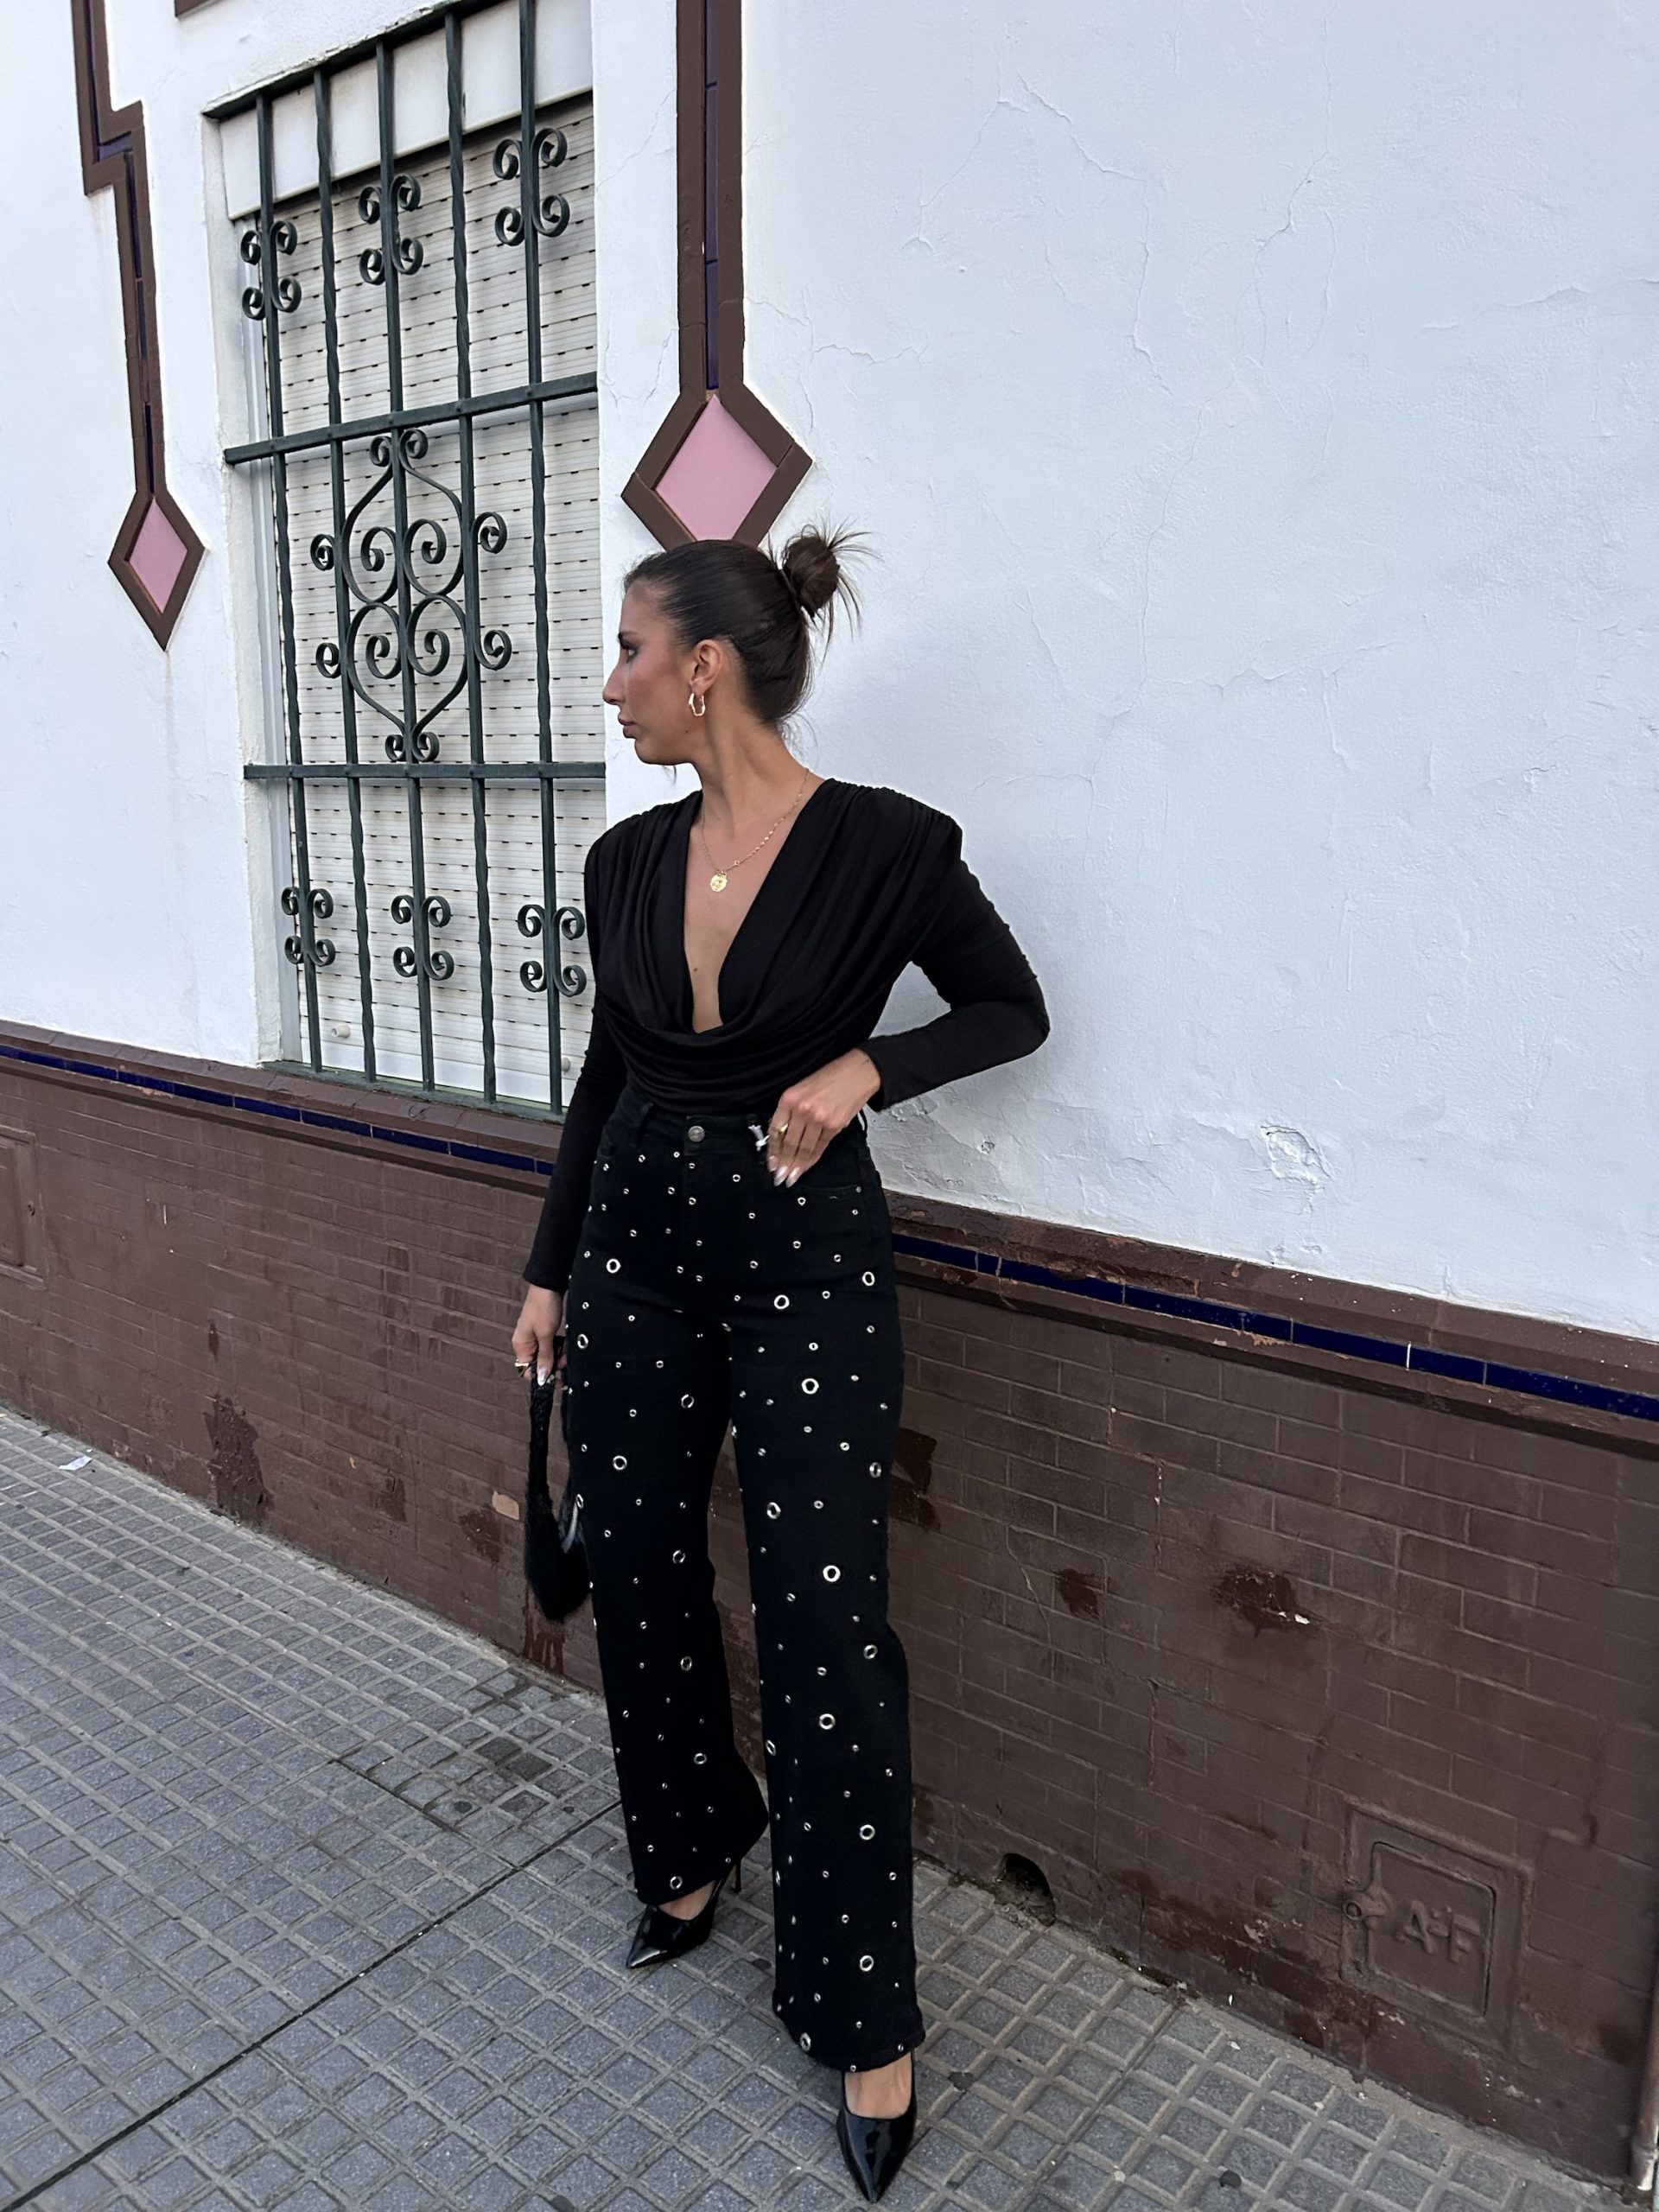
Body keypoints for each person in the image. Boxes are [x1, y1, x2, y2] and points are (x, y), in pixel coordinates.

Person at [511, 526, 1048, 2202]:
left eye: (626, 650)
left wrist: (869, 1068)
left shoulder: (886, 846)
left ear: (705, 666)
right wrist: (549, 1269)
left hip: (806, 1262)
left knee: (826, 1623)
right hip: (634, 1254)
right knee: (640, 1564)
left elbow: (1009, 1007)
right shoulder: (624, 859)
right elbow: (607, 1078)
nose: (609, 684)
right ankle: (687, 1851)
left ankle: (863, 2010)